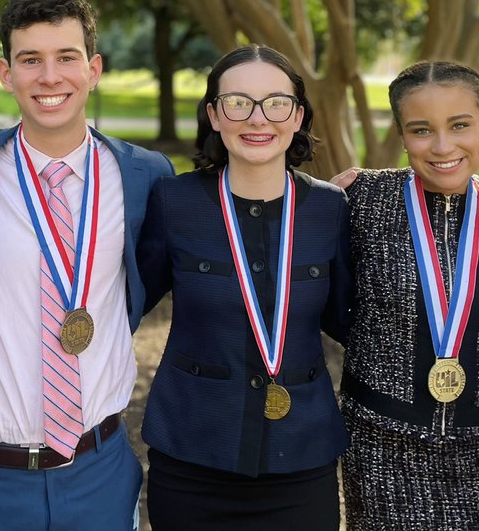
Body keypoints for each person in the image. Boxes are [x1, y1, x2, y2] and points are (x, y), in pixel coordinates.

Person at [0, 0, 175, 530]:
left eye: (67, 57)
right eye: (30, 60)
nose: (50, 77)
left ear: (95, 68)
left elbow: (149, 275)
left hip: (100, 470)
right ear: (5, 73)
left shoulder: (144, 175)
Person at [137, 45, 352, 529]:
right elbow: (123, 307)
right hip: (193, 456)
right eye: (237, 102)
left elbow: (351, 322)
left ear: (297, 116)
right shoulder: (174, 203)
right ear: (214, 114)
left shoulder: (330, 208)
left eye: (276, 102)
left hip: (301, 459)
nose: (258, 118)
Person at [330, 61, 479, 530]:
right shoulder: (361, 200)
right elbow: (329, 307)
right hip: (382, 445)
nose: (443, 147)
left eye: (460, 125)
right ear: (401, 135)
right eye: (421, 130)